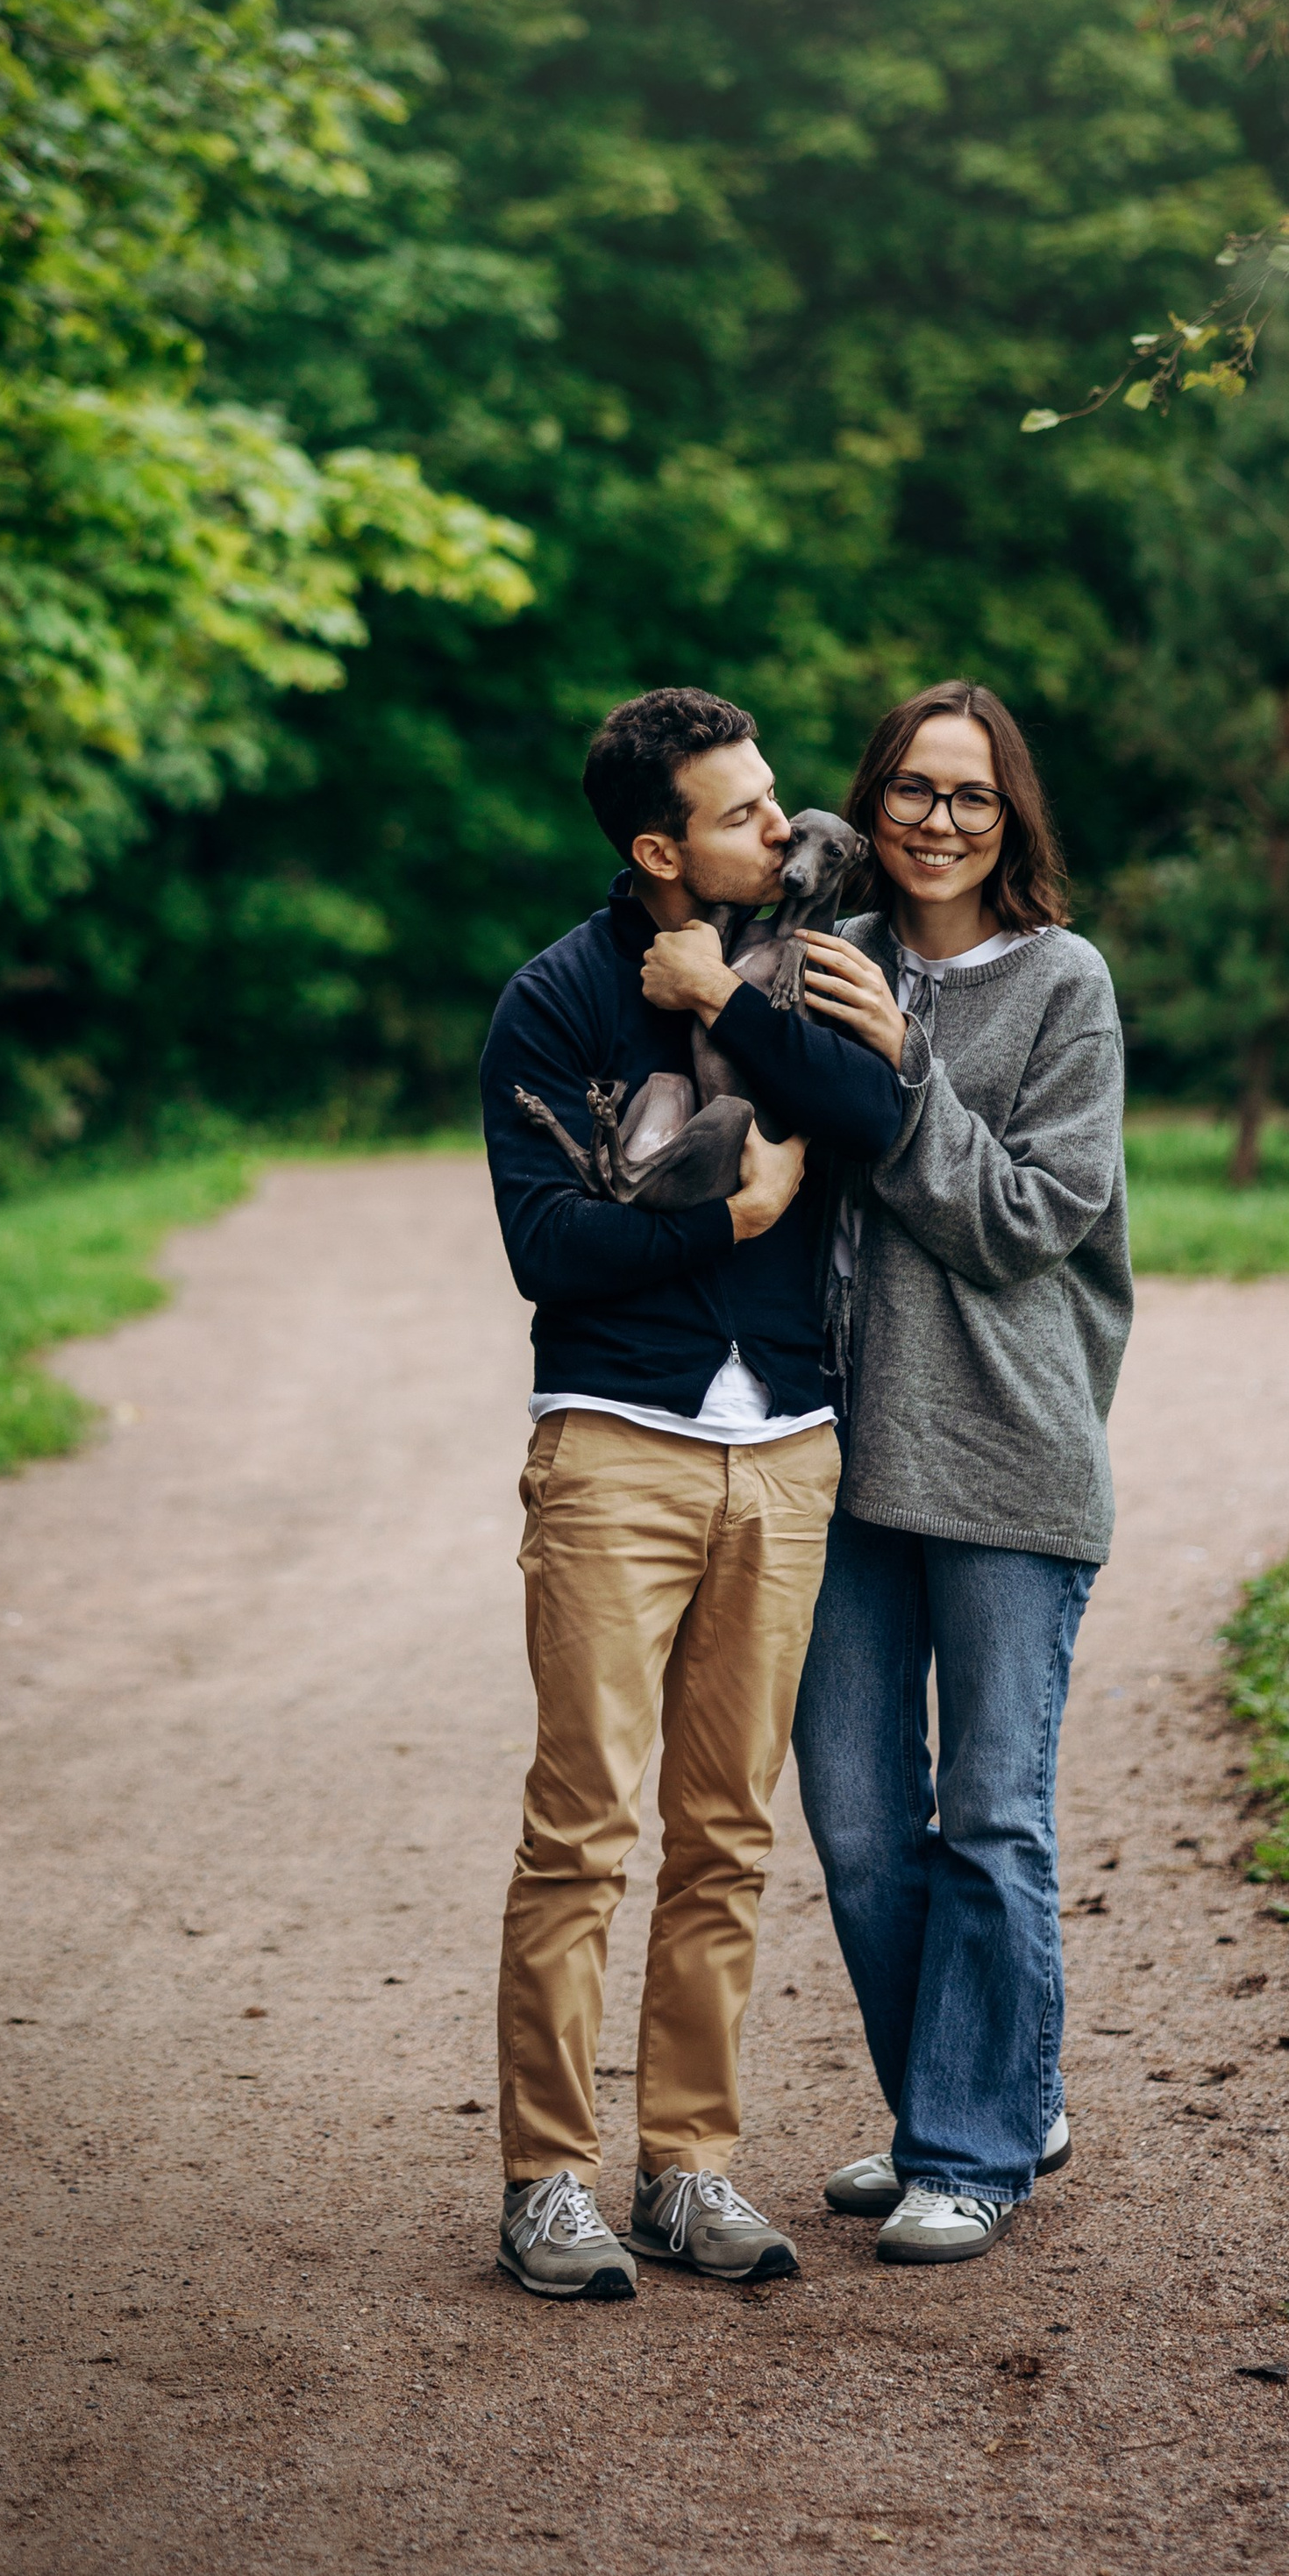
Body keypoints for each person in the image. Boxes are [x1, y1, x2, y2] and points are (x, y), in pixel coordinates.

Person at [479, 687, 903, 2301]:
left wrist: (729, 989)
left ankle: (689, 2169)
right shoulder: (552, 1001)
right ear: (659, 846)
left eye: (776, 800)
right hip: (615, 1447)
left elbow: (876, 1116)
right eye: (739, 815)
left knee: (727, 1831)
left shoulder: (802, 959)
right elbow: (548, 1249)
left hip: (787, 1447)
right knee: (583, 1828)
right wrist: (722, 1227)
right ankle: (545, 2184)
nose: (782, 830)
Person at [785, 679, 1131, 2265]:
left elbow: (1026, 1222)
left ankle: (976, 2146)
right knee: (860, 1826)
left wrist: (902, 1068)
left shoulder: (1064, 984)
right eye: (913, 791)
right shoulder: (815, 963)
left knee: (993, 1815)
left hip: (1005, 1456)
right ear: (875, 802)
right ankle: (982, 2095)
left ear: (1013, 821)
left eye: (972, 797)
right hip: (832, 1461)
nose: (939, 821)